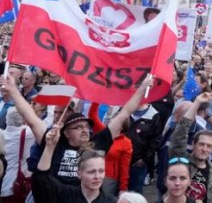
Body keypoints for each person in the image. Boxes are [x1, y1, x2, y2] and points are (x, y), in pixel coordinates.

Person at [7, 75, 150, 186]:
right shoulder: (53, 142)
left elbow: (124, 114)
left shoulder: (96, 145)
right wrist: (13, 90)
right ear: (66, 133)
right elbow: (31, 118)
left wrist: (142, 88)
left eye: (86, 126)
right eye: (78, 127)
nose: (84, 130)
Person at [32, 124, 117, 203]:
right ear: (79, 174)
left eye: (101, 171)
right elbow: (42, 180)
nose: (97, 176)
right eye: (91, 172)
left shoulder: (111, 201)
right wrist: (50, 146)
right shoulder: (65, 195)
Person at [169, 92, 212, 203]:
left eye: (209, 146)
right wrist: (197, 103)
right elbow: (179, 135)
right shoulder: (182, 161)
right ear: (194, 145)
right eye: (201, 144)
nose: (204, 149)